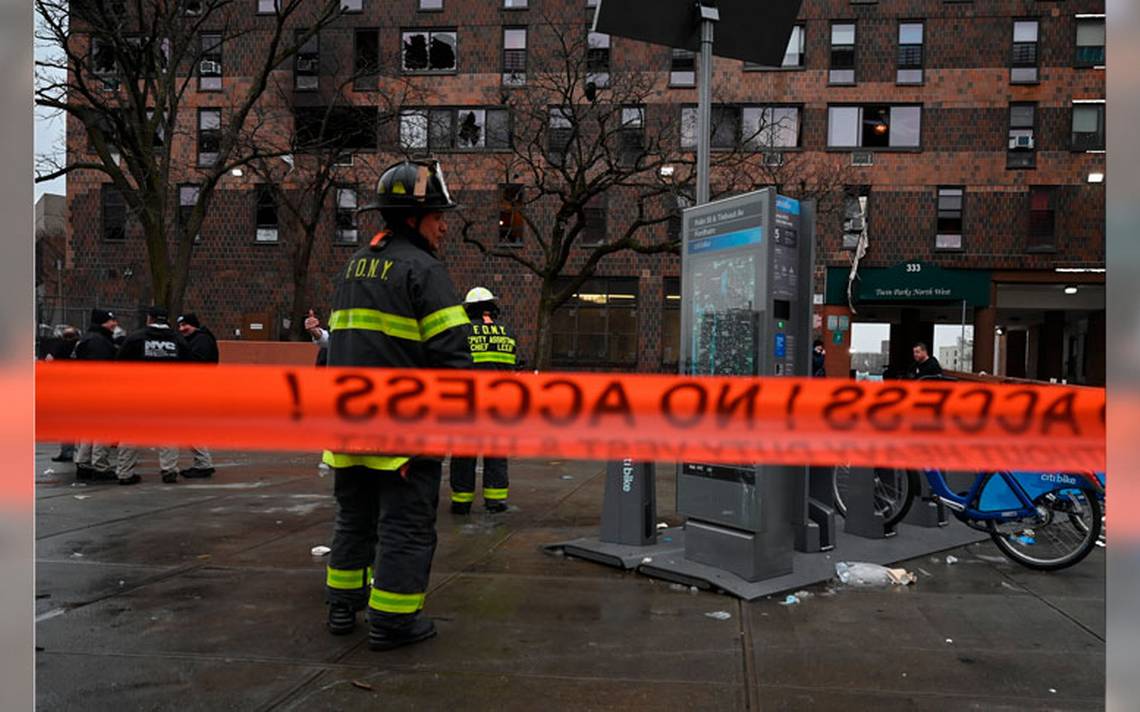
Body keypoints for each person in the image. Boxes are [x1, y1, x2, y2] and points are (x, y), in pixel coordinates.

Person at [322, 160, 470, 651]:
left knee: (353, 520)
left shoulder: (353, 267)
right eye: (436, 216)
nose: (444, 225)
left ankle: (343, 605)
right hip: (405, 434)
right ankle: (392, 621)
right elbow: (453, 357)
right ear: (412, 218)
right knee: (405, 527)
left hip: (347, 427)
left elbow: (335, 348)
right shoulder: (424, 271)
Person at [449, 286, 517, 515]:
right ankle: (495, 501)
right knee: (496, 453)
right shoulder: (506, 332)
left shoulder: (462, 332)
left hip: (467, 405)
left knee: (464, 454)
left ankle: (461, 501)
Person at [115, 306, 192, 485]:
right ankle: (169, 470)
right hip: (169, 395)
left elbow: (119, 364)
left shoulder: (135, 338)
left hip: (138, 394)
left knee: (130, 433)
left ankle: (125, 473)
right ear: (167, 320)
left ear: (149, 319)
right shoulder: (178, 340)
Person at [73, 310, 120, 482]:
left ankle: (83, 463)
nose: (114, 323)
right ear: (102, 323)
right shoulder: (99, 341)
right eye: (110, 321)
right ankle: (100, 466)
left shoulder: (89, 338)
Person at [176, 312, 219, 478]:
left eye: (185, 325)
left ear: (193, 324)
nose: (182, 329)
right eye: (180, 326)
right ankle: (202, 463)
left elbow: (196, 365)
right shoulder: (200, 339)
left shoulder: (201, 341)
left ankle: (203, 463)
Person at [45, 326, 81, 462]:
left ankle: (67, 451)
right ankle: (78, 452)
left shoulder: (58, 347)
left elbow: (49, 361)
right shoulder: (79, 347)